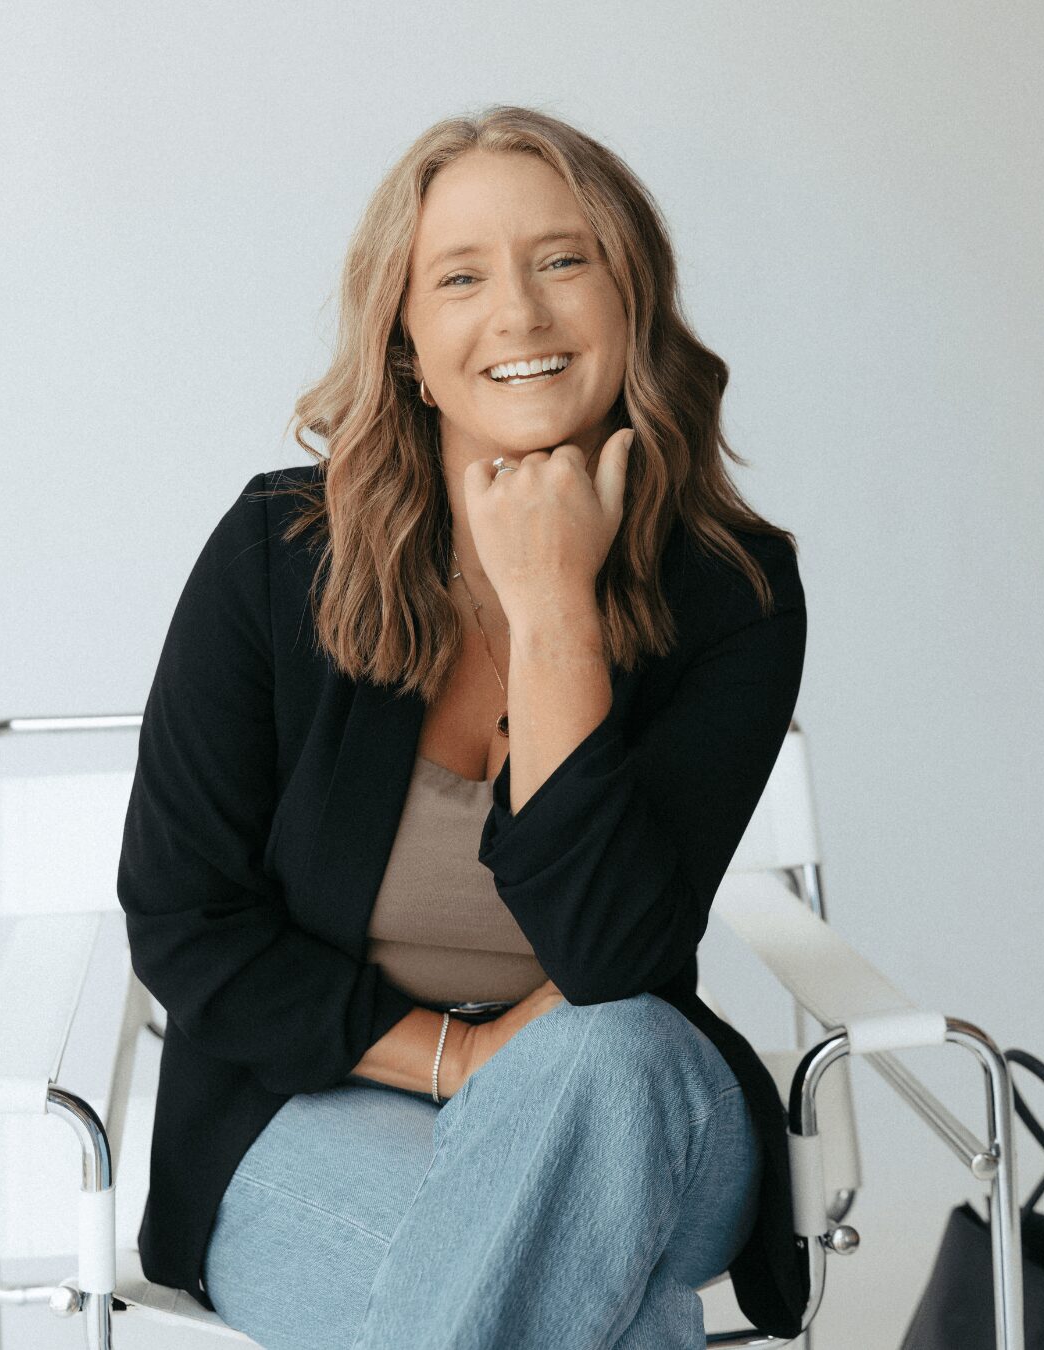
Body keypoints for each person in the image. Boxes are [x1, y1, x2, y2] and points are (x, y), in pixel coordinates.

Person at [117, 104, 810, 1349]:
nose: (521, 314)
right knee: (612, 1318)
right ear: (405, 341)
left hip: (633, 1105)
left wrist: (553, 613)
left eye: (563, 260)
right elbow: (186, 918)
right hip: (314, 1106)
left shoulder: (733, 593)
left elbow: (608, 956)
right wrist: (454, 1061)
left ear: (633, 297)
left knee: (609, 1053)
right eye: (461, 277)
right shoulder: (280, 558)